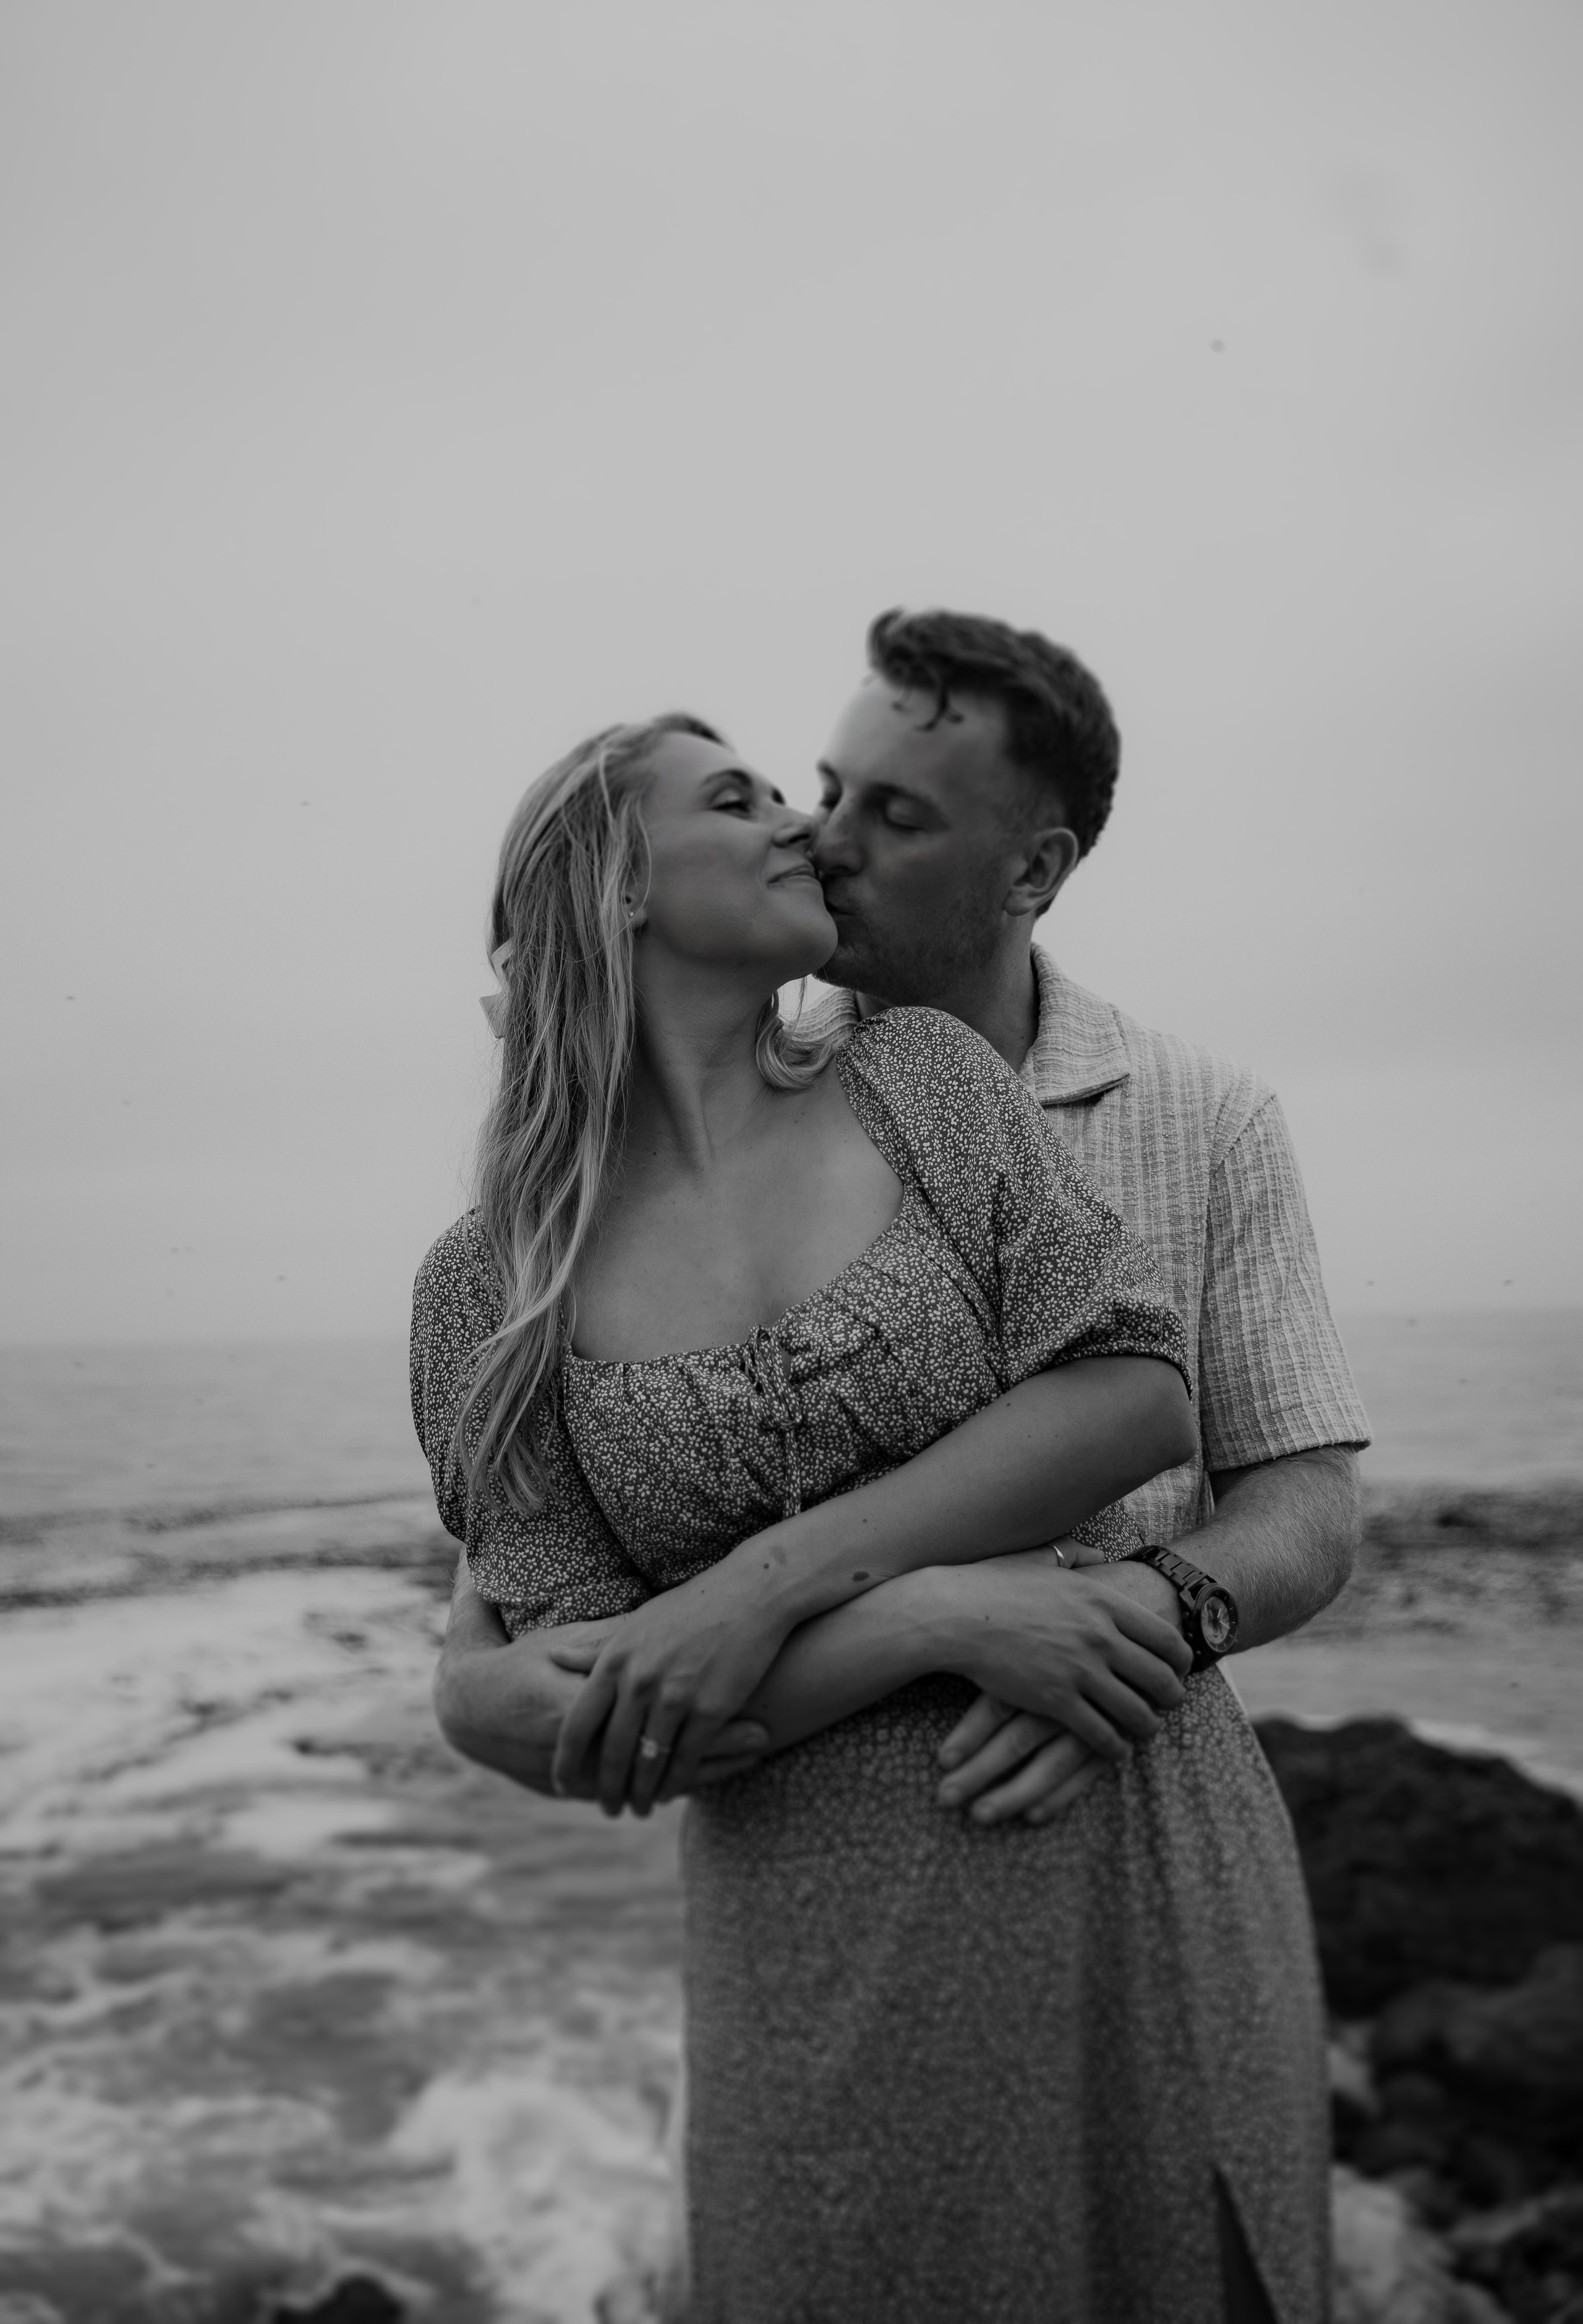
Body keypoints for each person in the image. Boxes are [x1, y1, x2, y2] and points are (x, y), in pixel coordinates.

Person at [414, 644, 1365, 2322]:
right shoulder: (491, 1287)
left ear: (1030, 865)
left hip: (1117, 1823)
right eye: (761, 796)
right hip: (810, 1939)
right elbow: (600, 1699)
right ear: (619, 889)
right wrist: (936, 1617)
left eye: (875, 810)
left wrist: (771, 1590)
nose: (812, 827)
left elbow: (1146, 1402)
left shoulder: (938, 1083)